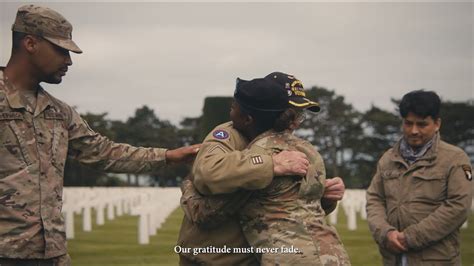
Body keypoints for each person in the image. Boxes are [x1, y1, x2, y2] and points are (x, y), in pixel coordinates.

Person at [0, 5, 200, 265]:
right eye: (61, 50)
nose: (68, 61)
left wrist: (169, 156)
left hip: (51, 253)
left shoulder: (59, 113)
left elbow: (105, 153)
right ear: (30, 43)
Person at [179, 72, 349, 265]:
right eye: (291, 113)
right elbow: (207, 175)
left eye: (299, 116)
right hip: (217, 256)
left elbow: (291, 211)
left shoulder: (294, 149)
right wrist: (270, 164)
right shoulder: (229, 136)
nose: (294, 123)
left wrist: (322, 196)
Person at [366, 90, 472, 265]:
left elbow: (458, 206)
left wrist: (411, 237)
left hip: (436, 259)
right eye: (408, 123)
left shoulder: (454, 159)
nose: (414, 131)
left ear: (437, 123)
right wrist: (385, 233)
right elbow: (375, 199)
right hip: (394, 258)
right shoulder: (388, 159)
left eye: (422, 124)